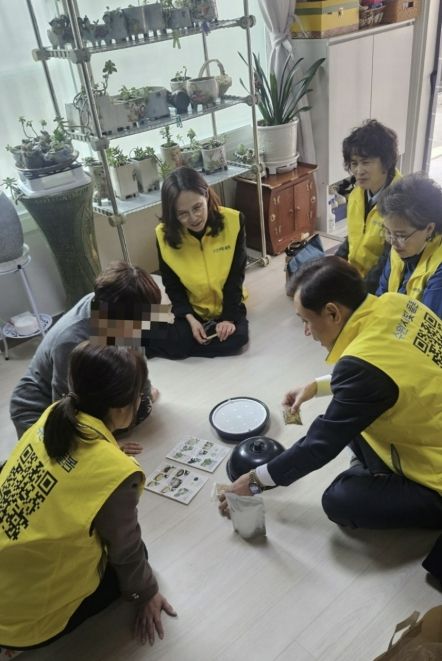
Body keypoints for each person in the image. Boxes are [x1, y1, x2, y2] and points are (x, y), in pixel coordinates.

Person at [220, 256, 442, 579]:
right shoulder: (395, 303)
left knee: (338, 500)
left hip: (435, 478)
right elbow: (395, 367)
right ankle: (377, 474)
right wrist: (317, 386)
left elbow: (318, 445)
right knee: (347, 418)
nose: (306, 332)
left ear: (333, 313)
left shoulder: (362, 370)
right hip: (426, 424)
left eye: (306, 321)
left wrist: (254, 481)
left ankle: (408, 496)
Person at [0, 342, 176, 650]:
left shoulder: (54, 414)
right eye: (139, 395)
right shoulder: (116, 473)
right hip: (20, 623)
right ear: (121, 408)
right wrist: (146, 593)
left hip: (9, 570)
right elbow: (125, 549)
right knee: (138, 557)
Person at [9, 261, 169, 452]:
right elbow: (63, 404)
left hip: (89, 391)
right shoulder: (71, 341)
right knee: (68, 453)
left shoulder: (114, 307)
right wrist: (104, 444)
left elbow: (136, 359)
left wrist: (144, 394)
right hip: (39, 408)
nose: (140, 328)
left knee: (140, 410)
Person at [151, 166, 249, 359]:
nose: (193, 218)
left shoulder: (234, 221)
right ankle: (110, 329)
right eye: (182, 213)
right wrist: (190, 318)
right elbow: (172, 284)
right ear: (172, 213)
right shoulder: (162, 235)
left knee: (238, 339)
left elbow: (236, 277)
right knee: (183, 338)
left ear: (206, 195)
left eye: (197, 207)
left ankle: (159, 341)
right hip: (191, 309)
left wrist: (228, 319)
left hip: (228, 304)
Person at [336, 119, 401, 293]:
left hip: (381, 285)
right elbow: (354, 236)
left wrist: (360, 292)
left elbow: (389, 260)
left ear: (386, 162)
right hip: (355, 276)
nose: (358, 171)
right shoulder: (357, 193)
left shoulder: (402, 202)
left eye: (365, 162)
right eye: (354, 163)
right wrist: (333, 264)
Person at [376, 172, 442, 317]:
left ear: (429, 229)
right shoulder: (400, 247)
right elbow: (381, 296)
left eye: (401, 235)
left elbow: (428, 323)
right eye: (387, 231)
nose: (392, 242)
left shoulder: (439, 268)